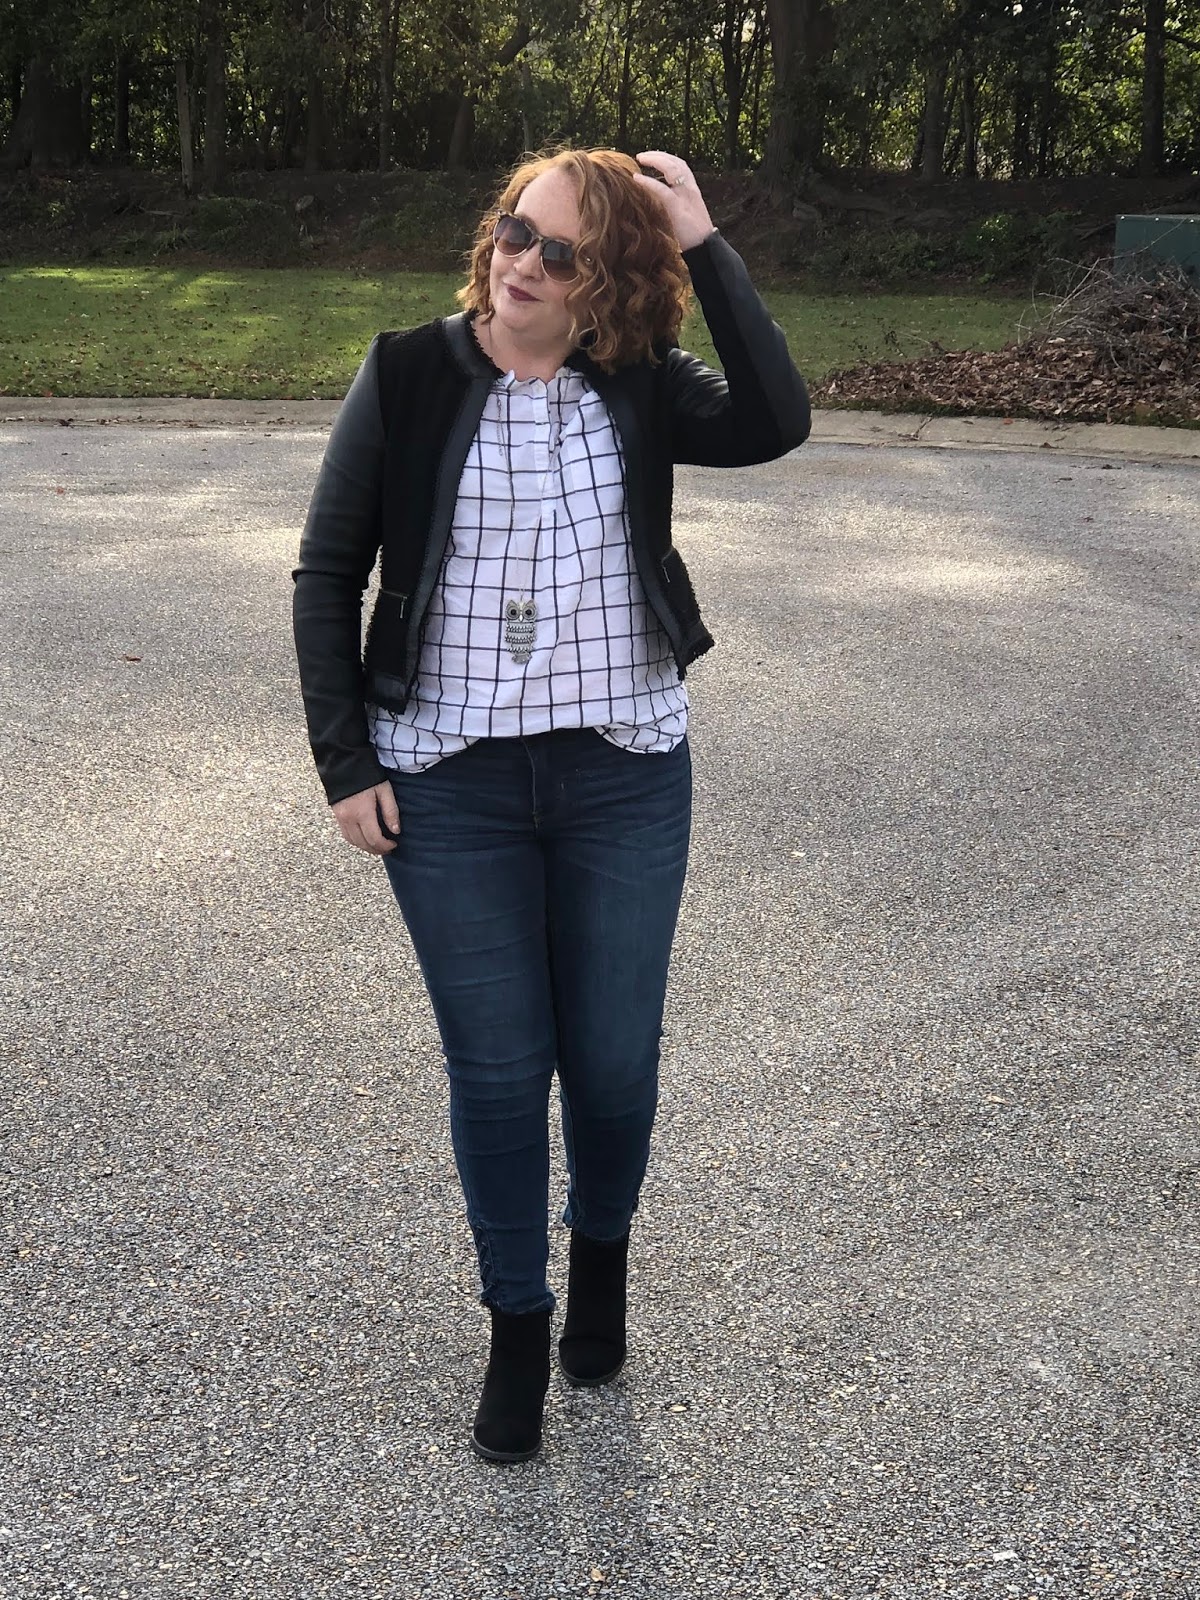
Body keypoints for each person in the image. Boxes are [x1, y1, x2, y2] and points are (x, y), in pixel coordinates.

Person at [292, 145, 810, 1464]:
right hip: (449, 780)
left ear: (611, 280)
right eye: (515, 231)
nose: (522, 261)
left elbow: (775, 419)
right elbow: (328, 571)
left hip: (620, 770)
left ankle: (602, 1261)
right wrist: (347, 763)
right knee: (501, 1069)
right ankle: (516, 1324)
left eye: (562, 251)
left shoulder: (638, 383)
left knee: (616, 1065)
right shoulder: (407, 372)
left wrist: (705, 242)